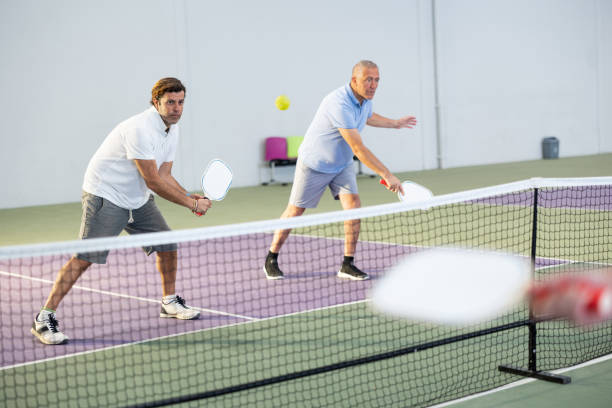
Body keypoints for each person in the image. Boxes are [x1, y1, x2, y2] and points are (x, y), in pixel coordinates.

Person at [31, 78, 212, 345]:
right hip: (106, 195)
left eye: (181, 102)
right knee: (84, 258)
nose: (176, 108)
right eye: (170, 102)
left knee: (167, 244)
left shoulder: (172, 130)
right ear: (156, 102)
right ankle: (43, 318)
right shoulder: (139, 129)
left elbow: (164, 174)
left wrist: (187, 195)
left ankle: (169, 302)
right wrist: (192, 205)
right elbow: (153, 181)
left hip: (137, 198)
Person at [263, 60, 417, 281]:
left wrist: (394, 123)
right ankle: (272, 256)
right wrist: (387, 174)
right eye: (368, 80)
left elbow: (369, 117)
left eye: (376, 80)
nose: (373, 85)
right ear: (354, 80)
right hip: (315, 164)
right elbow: (358, 147)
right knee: (295, 212)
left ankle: (348, 264)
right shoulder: (339, 103)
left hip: (342, 164)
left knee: (354, 206)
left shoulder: (364, 101)